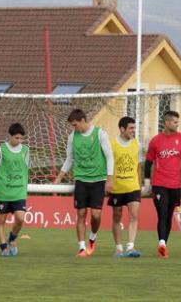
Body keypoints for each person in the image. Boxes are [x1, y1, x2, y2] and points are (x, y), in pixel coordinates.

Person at [54, 109, 113, 258]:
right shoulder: (72, 137)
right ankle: (81, 248)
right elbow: (70, 159)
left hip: (98, 180)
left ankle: (92, 237)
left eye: (75, 125)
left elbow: (109, 157)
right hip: (81, 179)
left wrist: (110, 179)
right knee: (81, 213)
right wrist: (60, 177)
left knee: (96, 215)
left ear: (82, 120)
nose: (74, 128)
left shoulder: (100, 134)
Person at [144, 110, 181, 258]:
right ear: (167, 123)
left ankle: (164, 245)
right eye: (175, 122)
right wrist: (147, 182)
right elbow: (148, 162)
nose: (177, 124)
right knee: (162, 214)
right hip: (159, 184)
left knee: (168, 216)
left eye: (177, 122)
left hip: (175, 185)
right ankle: (161, 243)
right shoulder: (155, 141)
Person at [0, 123, 29, 256]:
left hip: (19, 191)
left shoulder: (26, 150)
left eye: (21, 138)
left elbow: (26, 169)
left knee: (20, 219)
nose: (19, 141)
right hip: (3, 192)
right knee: (1, 220)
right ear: (9, 136)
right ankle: (4, 247)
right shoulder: (0, 150)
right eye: (16, 138)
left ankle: (12, 239)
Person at [108, 117, 143, 258]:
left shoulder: (137, 144)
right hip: (117, 187)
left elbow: (138, 166)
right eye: (131, 128)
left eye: (134, 128)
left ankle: (130, 247)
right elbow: (108, 166)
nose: (133, 131)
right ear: (122, 129)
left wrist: (140, 185)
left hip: (133, 186)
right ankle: (118, 248)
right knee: (117, 217)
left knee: (134, 216)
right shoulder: (112, 144)